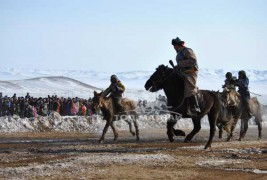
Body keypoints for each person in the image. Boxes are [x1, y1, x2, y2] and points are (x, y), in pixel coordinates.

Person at [171, 36, 200, 115]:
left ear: (178, 45)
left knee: (188, 86)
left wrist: (180, 64)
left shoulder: (187, 50)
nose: (174, 48)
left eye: (175, 46)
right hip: (183, 72)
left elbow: (193, 60)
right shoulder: (178, 54)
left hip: (192, 71)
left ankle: (195, 107)